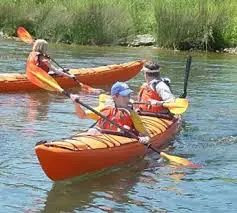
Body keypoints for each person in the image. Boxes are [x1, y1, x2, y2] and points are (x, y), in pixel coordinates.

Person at [70, 81, 150, 144]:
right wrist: (76, 104)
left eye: (128, 95)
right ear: (115, 97)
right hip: (101, 139)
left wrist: (145, 139)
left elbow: (146, 135)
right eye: (124, 96)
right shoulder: (105, 109)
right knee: (92, 130)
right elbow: (82, 115)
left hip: (120, 140)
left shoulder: (131, 113)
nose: (127, 98)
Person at [26, 39, 103, 94]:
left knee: (63, 69)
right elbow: (55, 70)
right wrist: (70, 76)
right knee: (61, 71)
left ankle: (63, 70)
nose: (47, 49)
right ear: (43, 48)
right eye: (46, 47)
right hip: (41, 77)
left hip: (33, 75)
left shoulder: (32, 54)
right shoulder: (43, 58)